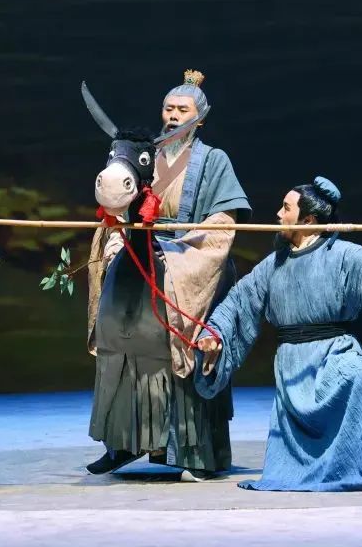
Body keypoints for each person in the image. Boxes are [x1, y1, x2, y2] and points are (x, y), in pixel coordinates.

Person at [194, 177, 362, 494]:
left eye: (286, 208)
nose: (278, 214)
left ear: (307, 220)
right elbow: (238, 304)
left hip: (335, 353)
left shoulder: (344, 255)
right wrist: (214, 334)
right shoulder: (272, 266)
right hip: (294, 367)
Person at [85, 70, 251, 481]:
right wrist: (118, 237)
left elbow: (222, 222)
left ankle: (191, 451)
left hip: (189, 259)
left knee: (181, 346)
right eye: (168, 108)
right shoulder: (144, 157)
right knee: (121, 337)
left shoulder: (214, 161)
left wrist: (177, 252)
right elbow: (119, 205)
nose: (173, 116)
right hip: (141, 256)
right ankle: (122, 442)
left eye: (182, 110)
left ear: (200, 119)